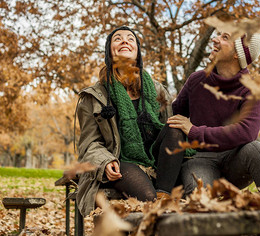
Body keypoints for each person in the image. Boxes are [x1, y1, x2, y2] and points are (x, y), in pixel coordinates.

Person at [75, 26, 185, 217]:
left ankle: (164, 194)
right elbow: (88, 144)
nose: (125, 41)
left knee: (175, 127)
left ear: (138, 52)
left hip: (156, 160)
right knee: (147, 197)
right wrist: (104, 162)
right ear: (110, 51)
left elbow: (169, 134)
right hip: (119, 161)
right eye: (118, 39)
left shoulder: (158, 91)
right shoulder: (95, 96)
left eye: (130, 39)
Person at [167, 31, 260, 198]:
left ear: (236, 54)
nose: (215, 40)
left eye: (225, 38)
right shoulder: (196, 80)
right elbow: (172, 115)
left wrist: (195, 131)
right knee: (201, 199)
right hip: (199, 160)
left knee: (256, 148)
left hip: (235, 162)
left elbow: (247, 132)